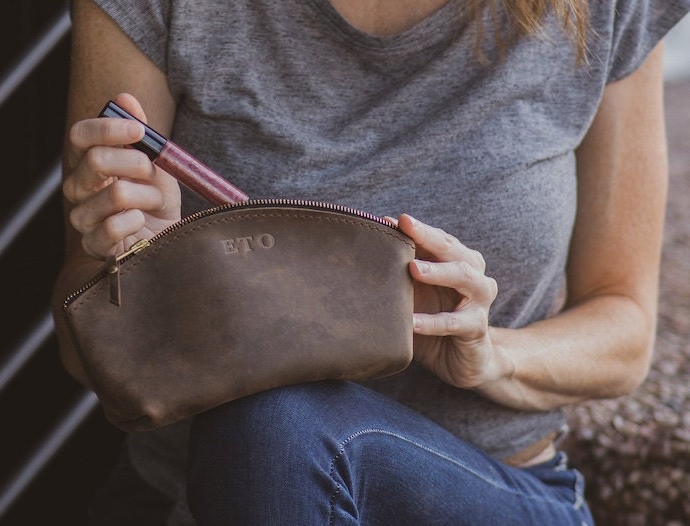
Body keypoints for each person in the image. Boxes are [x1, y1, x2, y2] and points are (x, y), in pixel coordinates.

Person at [51, 0, 690, 524]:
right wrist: (144, 270)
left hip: (491, 490)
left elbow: (624, 329)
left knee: (273, 423)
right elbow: (84, 354)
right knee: (269, 424)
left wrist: (488, 354)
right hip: (199, 497)